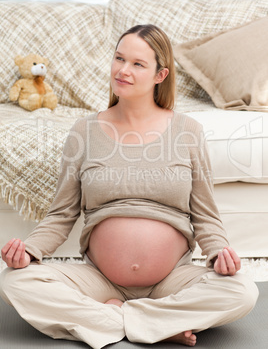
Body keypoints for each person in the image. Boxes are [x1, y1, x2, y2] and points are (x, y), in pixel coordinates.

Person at [0, 24, 258, 348]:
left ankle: (114, 319)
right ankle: (157, 323)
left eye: (137, 64)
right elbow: (61, 215)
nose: (123, 70)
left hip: (171, 279)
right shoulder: (84, 131)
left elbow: (206, 217)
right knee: (15, 282)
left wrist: (220, 252)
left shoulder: (188, 132)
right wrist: (29, 251)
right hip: (100, 280)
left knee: (242, 291)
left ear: (160, 75)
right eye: (119, 58)